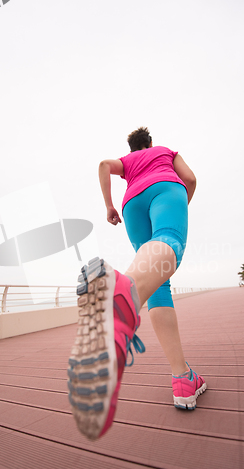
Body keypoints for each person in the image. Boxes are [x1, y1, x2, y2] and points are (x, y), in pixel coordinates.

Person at [67, 127, 206, 440]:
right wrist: (182, 200)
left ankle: (183, 378)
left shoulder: (127, 162)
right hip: (166, 190)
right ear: (150, 143)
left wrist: (109, 206)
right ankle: (124, 292)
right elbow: (191, 179)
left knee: (157, 281)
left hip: (131, 204)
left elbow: (104, 165)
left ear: (130, 148)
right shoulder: (165, 152)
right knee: (168, 240)